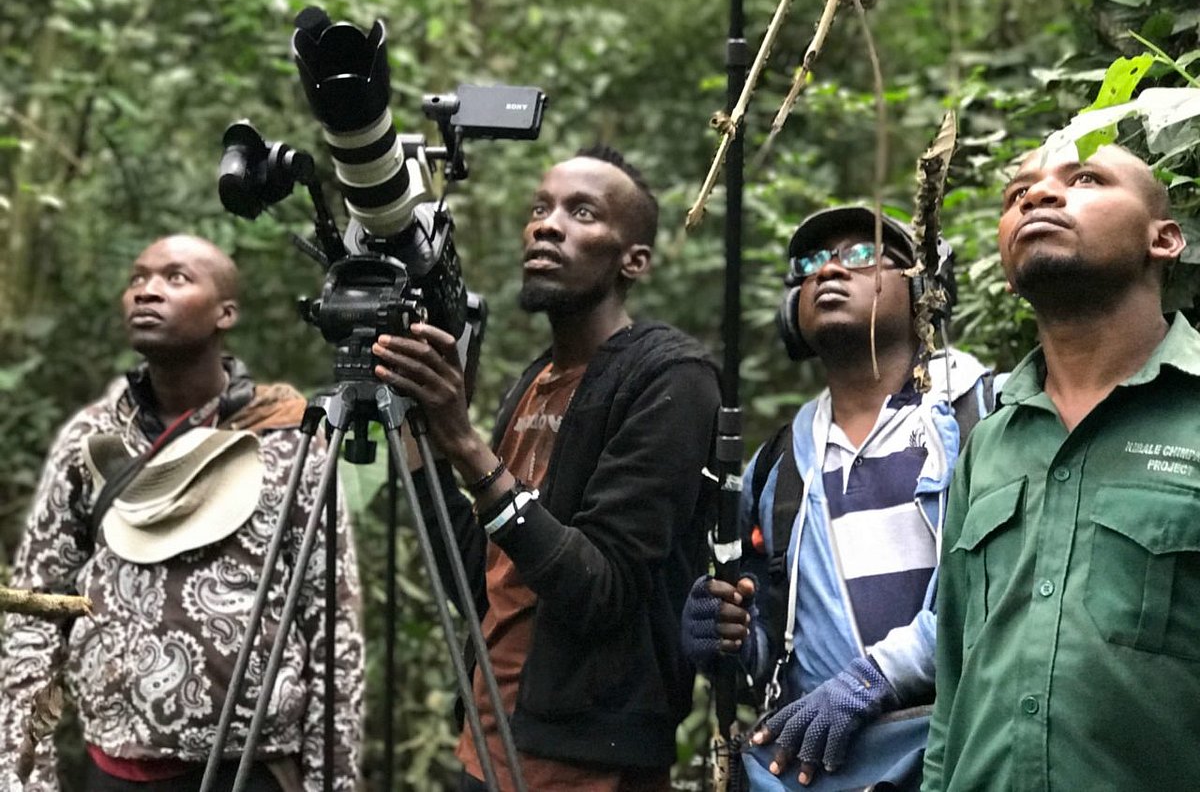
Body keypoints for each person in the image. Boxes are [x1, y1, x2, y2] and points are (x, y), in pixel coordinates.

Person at [371, 145, 722, 791]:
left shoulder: (670, 378)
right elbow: (481, 577)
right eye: (540, 208)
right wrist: (422, 437)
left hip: (586, 762)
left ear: (633, 260)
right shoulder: (536, 382)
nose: (546, 224)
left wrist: (467, 444)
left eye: (581, 212)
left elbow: (604, 590)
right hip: (488, 739)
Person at [0, 235, 363, 792]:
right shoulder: (89, 441)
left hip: (247, 772)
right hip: (110, 769)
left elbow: (331, 629)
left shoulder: (288, 444)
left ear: (226, 313)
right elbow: (35, 611)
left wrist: (330, 782)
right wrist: (24, 774)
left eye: (176, 278)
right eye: (138, 278)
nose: (147, 291)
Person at [681, 206, 994, 791]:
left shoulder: (982, 417)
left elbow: (1004, 587)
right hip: (824, 770)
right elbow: (771, 640)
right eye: (813, 263)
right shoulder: (777, 468)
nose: (829, 271)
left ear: (925, 288)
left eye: (861, 256)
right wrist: (729, 635)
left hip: (964, 755)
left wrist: (874, 679)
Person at [923, 143, 1198, 791]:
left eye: (1086, 180)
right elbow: (953, 686)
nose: (1037, 196)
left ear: (1164, 239)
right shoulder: (988, 444)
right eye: (1018, 194)